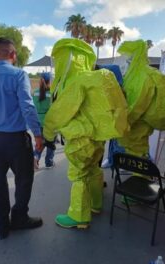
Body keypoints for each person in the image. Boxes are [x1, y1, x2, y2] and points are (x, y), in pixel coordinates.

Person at [43, 38, 128, 228]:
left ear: (67, 58)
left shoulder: (75, 82)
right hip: (98, 138)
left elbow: (59, 113)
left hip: (80, 138)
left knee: (79, 175)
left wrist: (48, 135)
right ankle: (96, 205)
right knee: (93, 170)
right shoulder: (95, 78)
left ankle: (79, 216)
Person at [0, 37, 44, 240]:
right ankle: (19, 217)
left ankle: (1, 225)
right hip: (15, 139)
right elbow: (27, 106)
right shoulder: (18, 75)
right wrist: (38, 134)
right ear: (13, 54)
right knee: (24, 179)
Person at [116, 40, 165, 160]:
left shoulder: (143, 74)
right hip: (135, 122)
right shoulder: (134, 73)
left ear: (136, 54)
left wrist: (124, 122)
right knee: (136, 154)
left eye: (128, 54)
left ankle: (141, 176)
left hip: (138, 123)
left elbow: (139, 103)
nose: (126, 58)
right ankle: (139, 174)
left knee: (138, 154)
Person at [32, 72, 55, 169]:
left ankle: (35, 157)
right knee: (50, 143)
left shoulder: (35, 92)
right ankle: (49, 162)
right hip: (49, 122)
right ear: (49, 81)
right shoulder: (52, 93)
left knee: (40, 142)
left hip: (38, 121)